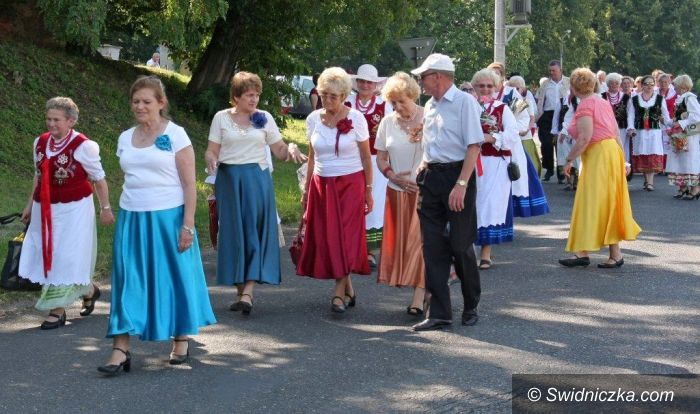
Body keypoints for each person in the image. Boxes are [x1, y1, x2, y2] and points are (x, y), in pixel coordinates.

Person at [99, 76, 216, 375]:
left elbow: (189, 185)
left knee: (173, 277)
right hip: (132, 217)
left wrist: (187, 225)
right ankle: (120, 348)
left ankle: (180, 337)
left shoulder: (176, 134)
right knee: (127, 280)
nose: (140, 106)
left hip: (168, 217)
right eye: (135, 101)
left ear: (161, 103)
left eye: (146, 101)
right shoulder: (125, 137)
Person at [205, 71, 306, 314]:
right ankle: (242, 291)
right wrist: (210, 159)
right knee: (232, 234)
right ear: (236, 97)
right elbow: (212, 150)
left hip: (256, 180)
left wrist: (291, 149)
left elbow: (279, 151)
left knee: (253, 232)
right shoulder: (221, 118)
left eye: (257, 95)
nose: (254, 100)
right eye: (249, 95)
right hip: (229, 180)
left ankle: (248, 292)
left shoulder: (264, 118)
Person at [19, 97, 114, 330]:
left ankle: (57, 310)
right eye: (49, 119)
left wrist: (105, 208)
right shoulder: (40, 142)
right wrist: (29, 205)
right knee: (46, 252)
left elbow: (99, 179)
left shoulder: (84, 146)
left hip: (74, 210)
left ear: (71, 121)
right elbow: (38, 176)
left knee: (64, 256)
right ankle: (89, 290)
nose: (51, 124)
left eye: (57, 120)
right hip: (44, 207)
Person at [409, 53, 483, 331]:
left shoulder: (465, 102)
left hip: (457, 175)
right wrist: (422, 167)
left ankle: (471, 303)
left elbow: (474, 145)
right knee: (432, 246)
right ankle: (440, 312)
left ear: (438, 77)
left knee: (460, 245)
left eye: (423, 77)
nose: (421, 82)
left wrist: (461, 184)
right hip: (431, 177)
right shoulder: (429, 105)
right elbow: (431, 142)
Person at [296, 67, 373, 313]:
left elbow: (366, 158)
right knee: (330, 238)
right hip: (322, 184)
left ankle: (338, 293)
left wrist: (368, 190)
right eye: (324, 95)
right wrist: (306, 189)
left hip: (351, 184)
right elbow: (311, 156)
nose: (327, 100)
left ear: (344, 96)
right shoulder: (312, 119)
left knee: (346, 238)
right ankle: (349, 288)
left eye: (333, 96)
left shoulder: (356, 118)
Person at [558, 68, 641, 269]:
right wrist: (624, 161)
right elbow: (615, 133)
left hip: (598, 155)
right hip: (611, 152)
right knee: (608, 201)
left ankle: (584, 252)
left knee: (592, 201)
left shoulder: (586, 105)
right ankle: (610, 254)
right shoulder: (602, 102)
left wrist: (568, 159)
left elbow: (585, 137)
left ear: (574, 87)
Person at [374, 72, 426, 315]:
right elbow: (381, 158)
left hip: (423, 191)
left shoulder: (428, 117)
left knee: (420, 243)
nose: (397, 107)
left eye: (401, 101)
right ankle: (424, 288)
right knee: (404, 245)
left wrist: (421, 177)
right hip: (396, 191)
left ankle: (419, 295)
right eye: (393, 102)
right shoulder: (387, 123)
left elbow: (439, 152)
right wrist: (392, 175)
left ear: (413, 96)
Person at [472, 69, 520, 270]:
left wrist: (491, 138)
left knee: (490, 206)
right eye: (481, 85)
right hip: (470, 162)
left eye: (489, 86)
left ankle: (486, 253)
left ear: (496, 87)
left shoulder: (502, 109)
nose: (485, 89)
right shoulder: (468, 107)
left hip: (495, 164)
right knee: (471, 205)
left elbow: (512, 134)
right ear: (475, 87)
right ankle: (468, 251)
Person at [345, 64, 392, 268]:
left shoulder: (384, 105)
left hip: (374, 159)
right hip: (350, 160)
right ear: (357, 83)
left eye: (369, 82)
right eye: (362, 81)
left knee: (374, 202)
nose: (365, 85)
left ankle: (370, 251)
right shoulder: (346, 102)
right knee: (351, 201)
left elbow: (390, 133)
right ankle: (351, 247)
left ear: (376, 85)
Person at [627, 75, 672, 191]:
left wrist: (674, 124)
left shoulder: (660, 99)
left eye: (652, 84)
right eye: (646, 84)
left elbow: (666, 117)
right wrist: (631, 128)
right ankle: (646, 180)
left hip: (654, 132)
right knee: (642, 154)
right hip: (639, 132)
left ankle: (650, 182)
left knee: (652, 154)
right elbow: (631, 115)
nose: (649, 86)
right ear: (642, 85)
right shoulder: (634, 99)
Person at [666, 74, 700, 200]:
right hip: (681, 134)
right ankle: (683, 186)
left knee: (690, 159)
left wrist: (680, 123)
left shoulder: (690, 98)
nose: (674, 87)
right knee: (680, 160)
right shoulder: (681, 98)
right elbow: (679, 118)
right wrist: (668, 122)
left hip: (689, 134)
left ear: (682, 86)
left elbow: (697, 116)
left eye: (675, 85)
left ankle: (695, 188)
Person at [536, 60, 570, 183]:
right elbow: (539, 99)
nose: (551, 73)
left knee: (561, 144)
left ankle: (561, 173)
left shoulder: (568, 82)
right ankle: (549, 169)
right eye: (550, 71)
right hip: (547, 115)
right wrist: (537, 116)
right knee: (546, 143)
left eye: (554, 70)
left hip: (562, 115)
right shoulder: (545, 84)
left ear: (560, 70)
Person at [508, 75, 542, 176]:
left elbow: (532, 118)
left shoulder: (527, 102)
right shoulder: (506, 102)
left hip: (525, 137)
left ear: (522, 89)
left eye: (517, 88)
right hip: (512, 137)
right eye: (512, 88)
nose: (515, 90)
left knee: (530, 164)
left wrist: (527, 129)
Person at [602, 73, 632, 168]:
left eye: (616, 83)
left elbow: (630, 113)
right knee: (608, 147)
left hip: (622, 127)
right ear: (608, 84)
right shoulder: (602, 96)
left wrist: (630, 127)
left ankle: (623, 168)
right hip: (606, 128)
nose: (614, 85)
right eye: (611, 83)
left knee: (622, 147)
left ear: (619, 84)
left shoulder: (626, 97)